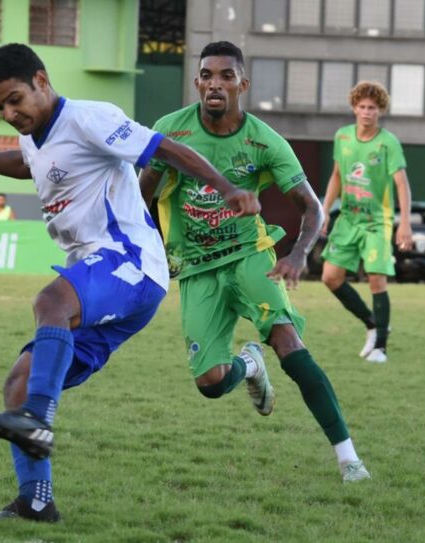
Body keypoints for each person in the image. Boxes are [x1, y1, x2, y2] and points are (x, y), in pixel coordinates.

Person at [0, 43, 260, 522]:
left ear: (42, 80)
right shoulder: (36, 134)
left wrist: (227, 188)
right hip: (105, 280)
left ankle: (37, 421)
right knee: (19, 382)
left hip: (131, 263)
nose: (8, 113)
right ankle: (36, 501)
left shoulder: (88, 117)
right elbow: (26, 163)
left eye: (15, 99)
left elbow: (163, 148)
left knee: (50, 302)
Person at [139, 41, 370, 484]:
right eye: (207, 74)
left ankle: (348, 460)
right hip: (196, 269)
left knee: (288, 343)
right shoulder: (171, 130)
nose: (215, 83)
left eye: (226, 76)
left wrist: (299, 255)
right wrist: (144, 243)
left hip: (250, 256)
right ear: (197, 82)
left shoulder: (264, 140)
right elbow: (141, 191)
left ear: (242, 84)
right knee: (210, 382)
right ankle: (249, 365)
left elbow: (311, 206)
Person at [320, 81, 412, 364]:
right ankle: (373, 324)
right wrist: (324, 211)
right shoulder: (343, 137)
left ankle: (380, 348)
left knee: (376, 279)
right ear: (354, 108)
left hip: (377, 222)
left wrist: (404, 222)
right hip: (348, 219)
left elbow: (402, 185)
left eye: (372, 108)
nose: (366, 112)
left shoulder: (388, 143)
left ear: (380, 110)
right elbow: (336, 175)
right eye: (362, 107)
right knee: (330, 277)